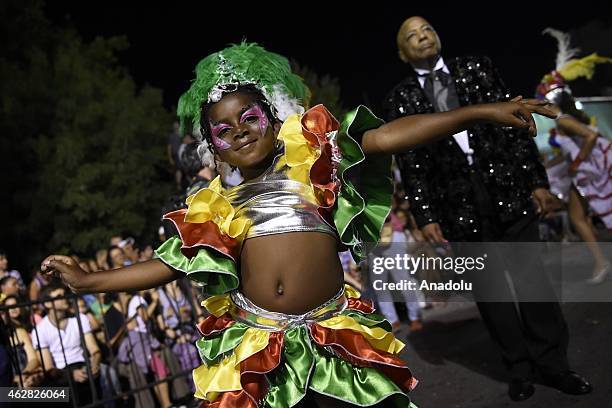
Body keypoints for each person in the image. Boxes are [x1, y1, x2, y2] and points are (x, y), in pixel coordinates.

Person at [42, 42, 553, 408]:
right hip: (257, 346)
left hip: (336, 336)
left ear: (272, 115)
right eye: (223, 130)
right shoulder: (214, 203)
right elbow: (164, 265)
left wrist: (481, 111)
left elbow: (389, 136)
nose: (239, 132)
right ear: (211, 145)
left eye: (249, 118)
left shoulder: (314, 157)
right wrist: (90, 281)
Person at [383, 16, 591, 402]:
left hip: (507, 189)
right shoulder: (401, 99)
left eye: (427, 28)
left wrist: (538, 183)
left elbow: (517, 124)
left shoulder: (476, 67)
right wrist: (426, 216)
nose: (423, 36)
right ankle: (518, 369)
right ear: (402, 52)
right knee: (491, 294)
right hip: (456, 205)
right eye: (412, 35)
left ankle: (555, 366)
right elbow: (412, 163)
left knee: (534, 285)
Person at [536, 28, 612, 284]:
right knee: (581, 216)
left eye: (544, 99)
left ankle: (602, 262)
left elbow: (589, 140)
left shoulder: (565, 120)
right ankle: (602, 261)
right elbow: (574, 149)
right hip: (589, 170)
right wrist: (551, 163)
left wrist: (578, 162)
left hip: (590, 171)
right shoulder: (567, 120)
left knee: (579, 217)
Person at [32, 283, 102, 406]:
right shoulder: (40, 330)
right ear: (47, 304)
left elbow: (94, 349)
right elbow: (48, 368)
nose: (64, 297)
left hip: (83, 366)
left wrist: (95, 363)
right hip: (60, 375)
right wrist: (70, 375)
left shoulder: (79, 318)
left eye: (64, 294)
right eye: (59, 296)